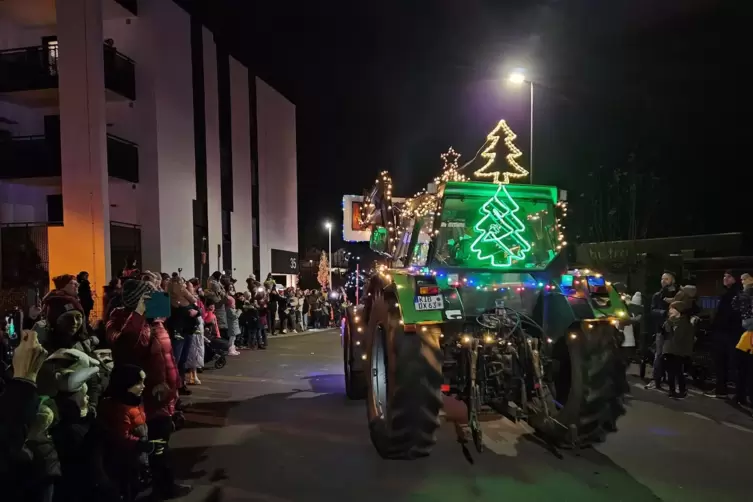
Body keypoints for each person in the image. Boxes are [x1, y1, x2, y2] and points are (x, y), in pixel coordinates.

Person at [106, 279, 190, 499]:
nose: (157, 300)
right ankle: (161, 488)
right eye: (150, 297)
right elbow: (129, 344)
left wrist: (175, 387)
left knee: (160, 441)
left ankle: (161, 483)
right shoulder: (121, 321)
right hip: (145, 396)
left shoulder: (155, 322)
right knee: (152, 444)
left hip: (162, 393)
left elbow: (167, 357)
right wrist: (139, 314)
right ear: (138, 301)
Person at [98, 365, 152, 502]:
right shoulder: (120, 408)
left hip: (135, 457)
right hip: (124, 460)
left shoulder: (134, 401)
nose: (143, 386)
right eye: (139, 383)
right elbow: (120, 436)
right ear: (126, 384)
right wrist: (139, 443)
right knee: (126, 488)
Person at [705, 271, 742, 398]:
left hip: (727, 333)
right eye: (724, 276)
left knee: (727, 362)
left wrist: (716, 325)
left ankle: (726, 391)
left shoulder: (734, 295)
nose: (725, 278)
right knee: (722, 362)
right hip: (725, 333)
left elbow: (727, 315)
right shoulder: (726, 293)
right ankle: (722, 390)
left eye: (729, 276)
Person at [646, 271, 679, 390]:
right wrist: (664, 313)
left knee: (674, 356)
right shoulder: (657, 295)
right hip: (661, 329)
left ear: (672, 280)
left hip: (676, 329)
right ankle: (657, 380)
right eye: (662, 279)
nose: (663, 281)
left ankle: (673, 382)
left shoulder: (679, 294)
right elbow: (653, 311)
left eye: (666, 279)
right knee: (659, 355)